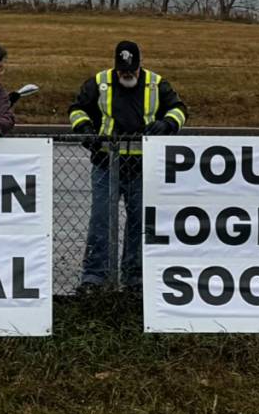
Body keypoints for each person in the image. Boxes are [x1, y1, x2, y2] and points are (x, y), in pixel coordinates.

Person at [69, 38, 188, 291]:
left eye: (131, 70)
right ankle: (94, 277)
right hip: (105, 162)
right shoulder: (99, 82)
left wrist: (166, 124)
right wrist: (86, 130)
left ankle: (134, 278)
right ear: (115, 67)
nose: (127, 75)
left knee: (139, 223)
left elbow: (179, 110)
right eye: (122, 71)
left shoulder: (156, 84)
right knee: (101, 220)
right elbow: (77, 109)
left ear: (139, 65)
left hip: (141, 166)